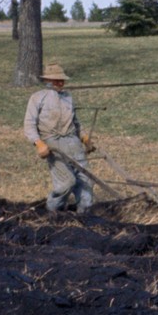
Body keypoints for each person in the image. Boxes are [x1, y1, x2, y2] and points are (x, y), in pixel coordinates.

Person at [23, 62, 94, 213]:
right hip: (53, 143)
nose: (61, 83)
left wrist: (84, 138)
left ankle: (85, 214)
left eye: (62, 80)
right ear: (47, 80)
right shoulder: (37, 98)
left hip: (73, 142)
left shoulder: (68, 97)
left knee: (85, 179)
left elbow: (75, 122)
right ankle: (53, 211)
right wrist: (39, 143)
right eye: (56, 80)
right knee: (67, 182)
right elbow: (29, 124)